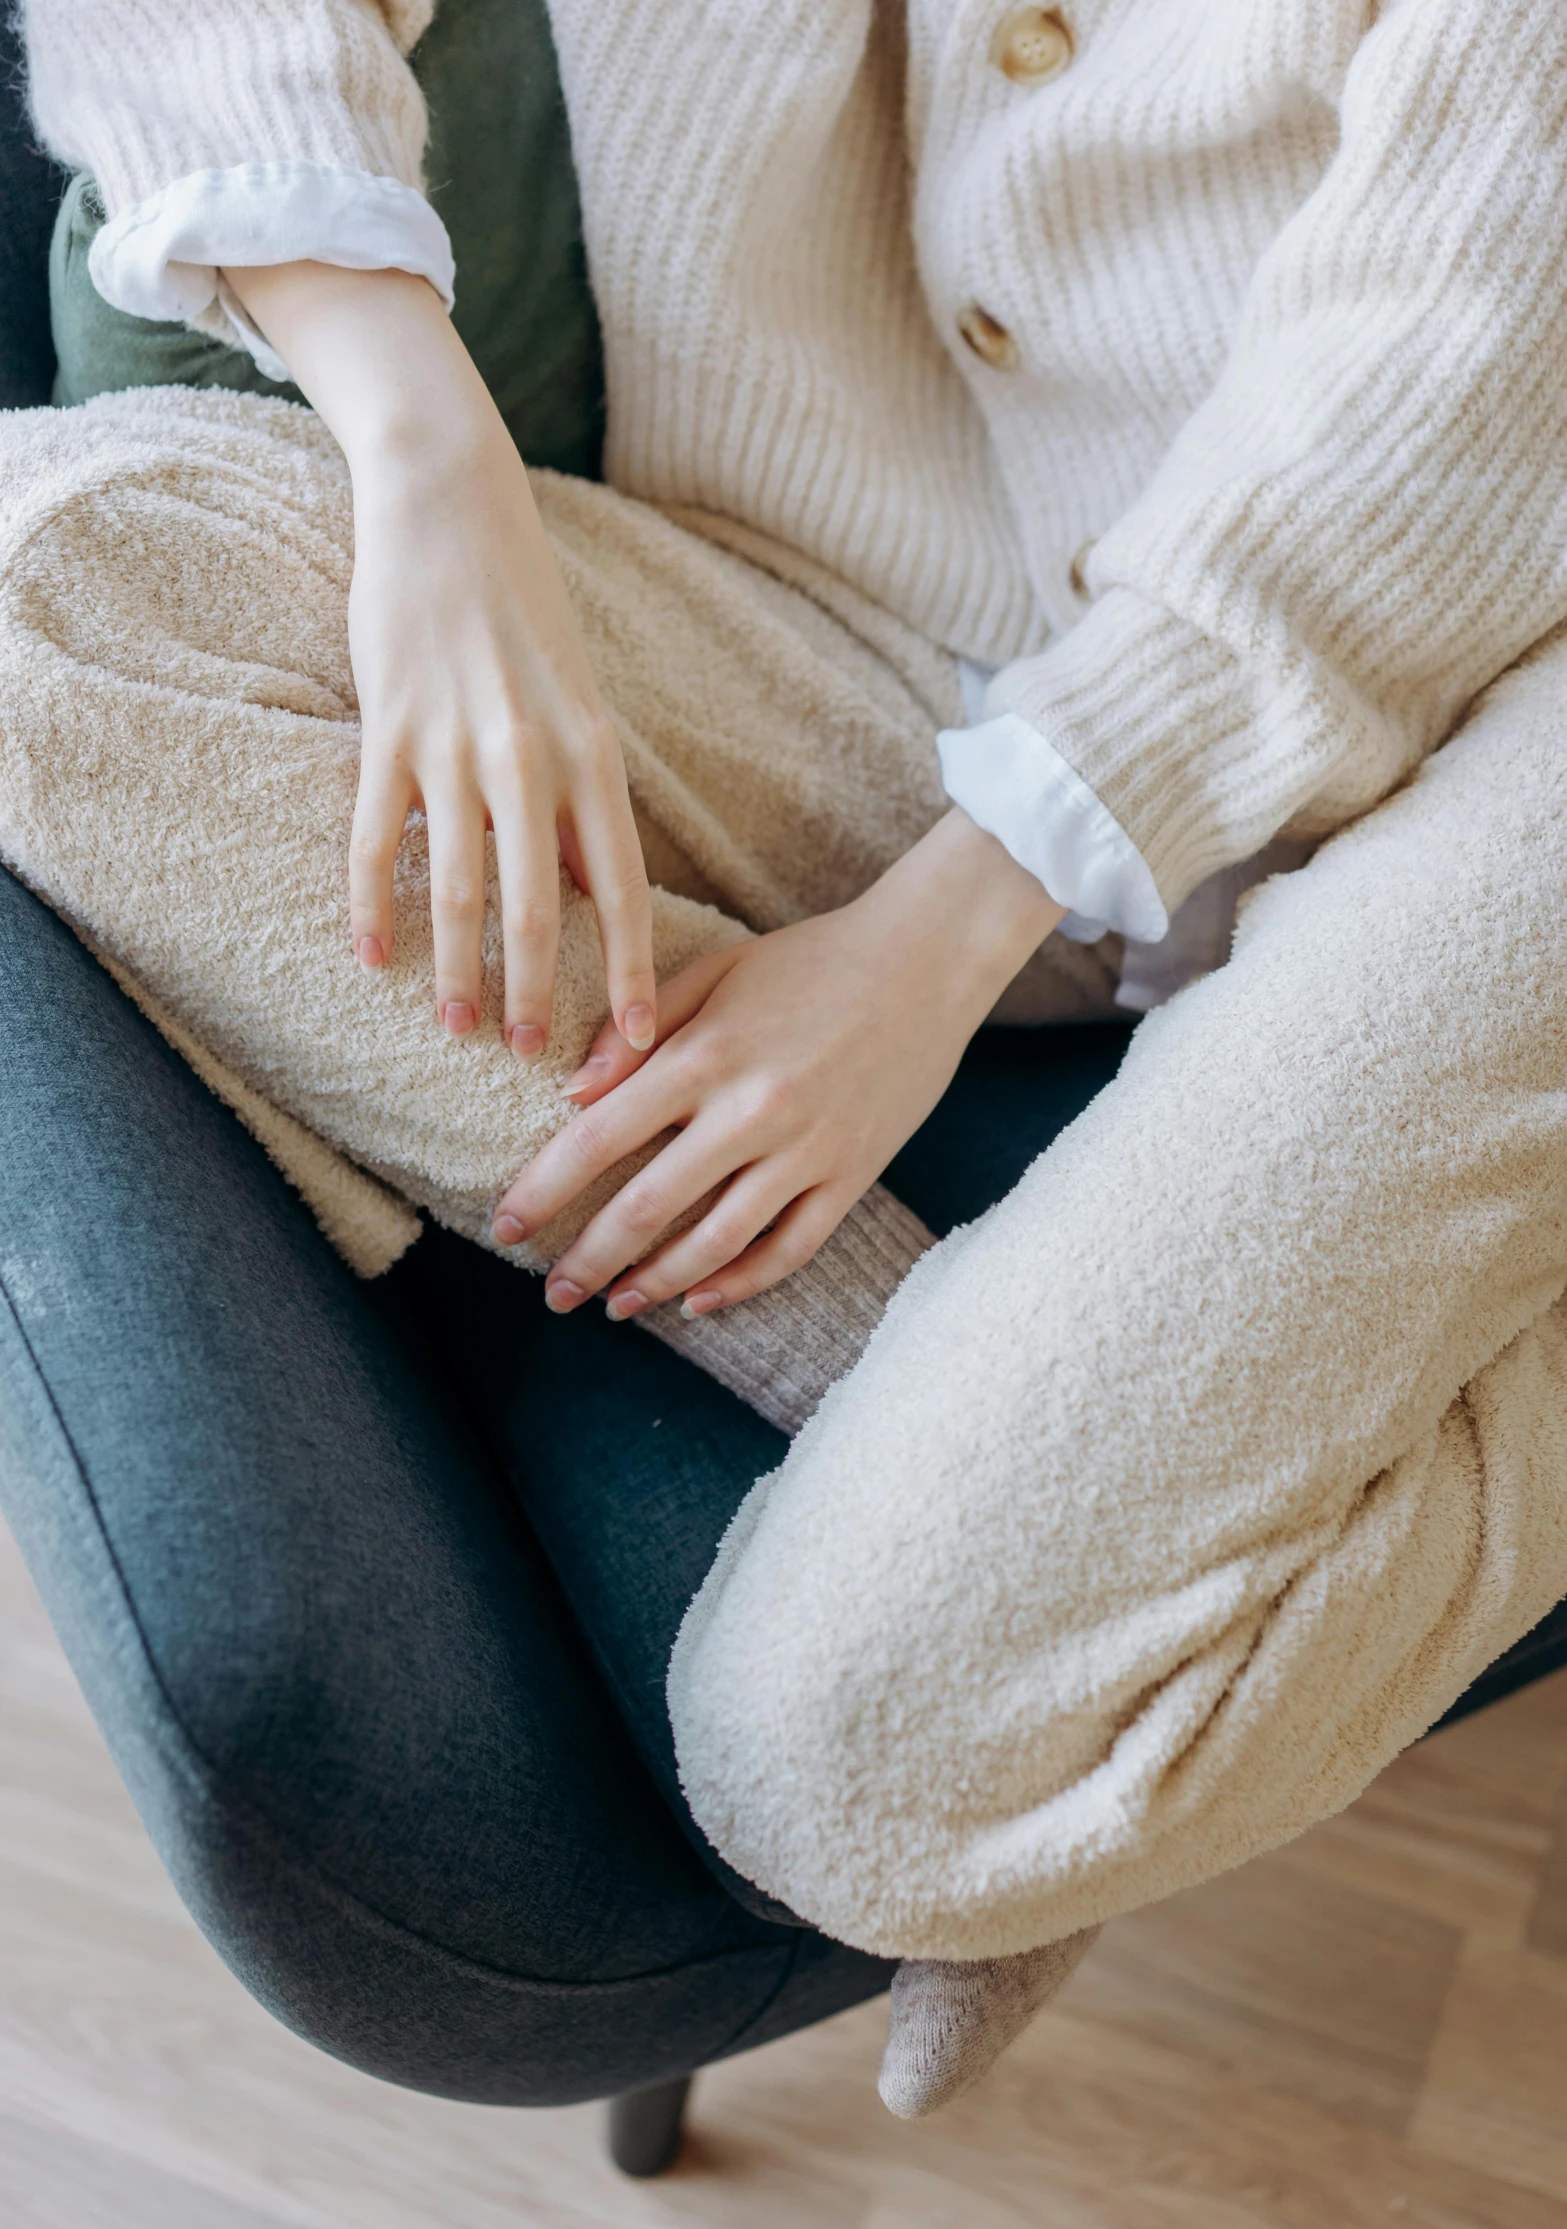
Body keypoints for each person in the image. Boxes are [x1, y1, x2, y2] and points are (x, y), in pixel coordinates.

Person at [9, 0, 1567, 2115]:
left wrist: (932, 942)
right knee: (39, 583)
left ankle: (1356, 1388)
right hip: (879, 624)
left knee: (838, 1762)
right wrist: (418, 442)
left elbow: (1460, 399)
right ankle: (937, 1389)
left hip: (1487, 715)